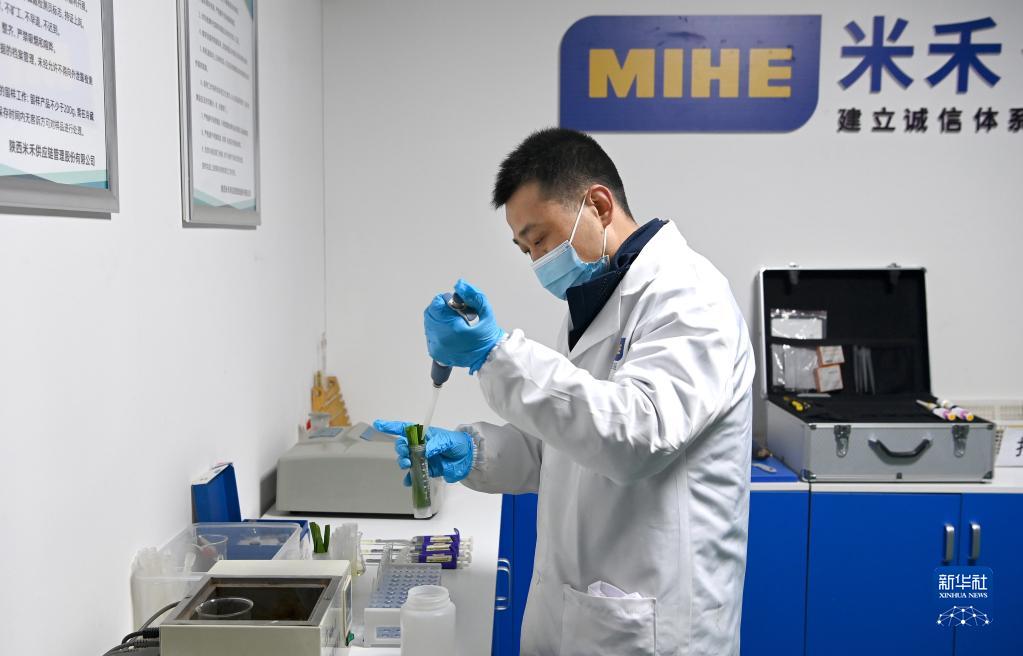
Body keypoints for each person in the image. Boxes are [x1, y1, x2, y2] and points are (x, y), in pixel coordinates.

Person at [375, 128, 755, 656]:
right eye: (525, 248)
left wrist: (495, 355)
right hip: (579, 613)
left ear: (598, 205)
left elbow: (636, 437)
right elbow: (566, 445)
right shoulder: (597, 305)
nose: (536, 260)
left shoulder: (691, 296)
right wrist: (474, 451)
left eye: (540, 239)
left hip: (654, 627)